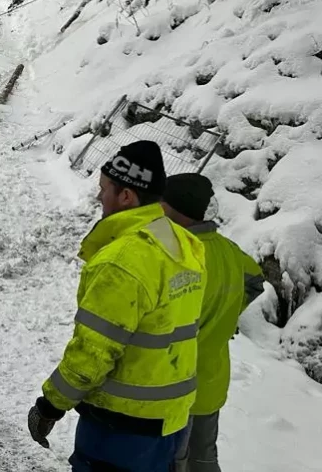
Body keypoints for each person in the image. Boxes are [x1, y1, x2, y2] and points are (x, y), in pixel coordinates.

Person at [27, 141, 207, 472]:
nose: (99, 197)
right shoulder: (183, 243)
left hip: (121, 427)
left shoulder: (122, 261)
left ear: (126, 196)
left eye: (104, 189)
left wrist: (50, 405)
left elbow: (92, 354)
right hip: (170, 420)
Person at [163, 174, 265, 472]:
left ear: (174, 209)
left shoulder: (178, 255)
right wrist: (228, 314)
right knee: (204, 458)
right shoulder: (228, 251)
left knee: (174, 461)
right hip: (212, 382)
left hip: (173, 385)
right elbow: (256, 280)